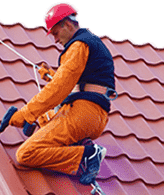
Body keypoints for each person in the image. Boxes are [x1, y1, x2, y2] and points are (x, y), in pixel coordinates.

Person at [8, 2, 115, 185]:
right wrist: (52, 75)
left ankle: (88, 155)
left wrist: (25, 114)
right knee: (46, 115)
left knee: (26, 153)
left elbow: (59, 89)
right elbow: (78, 82)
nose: (56, 40)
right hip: (94, 116)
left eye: (56, 33)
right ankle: (44, 129)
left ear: (66, 24)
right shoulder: (91, 43)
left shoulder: (79, 45)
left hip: (82, 113)